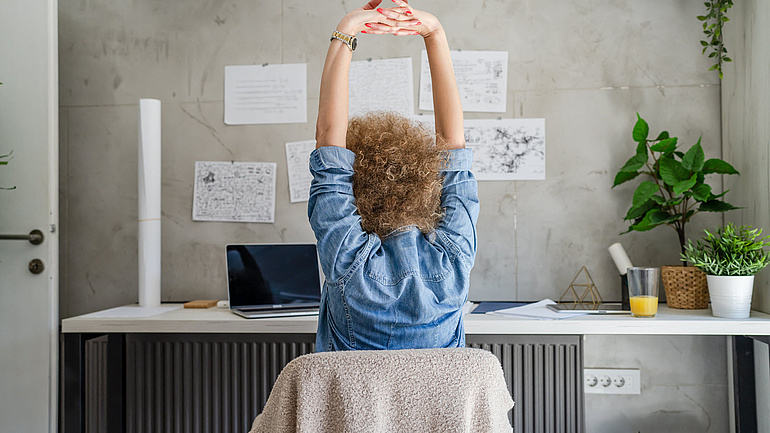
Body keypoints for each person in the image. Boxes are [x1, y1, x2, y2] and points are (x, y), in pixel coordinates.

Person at [308, 0, 479, 351]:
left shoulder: (348, 260)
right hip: (436, 409)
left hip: (354, 409)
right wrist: (433, 32)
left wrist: (347, 29)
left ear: (354, 189)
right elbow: (453, 144)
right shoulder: (455, 260)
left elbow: (328, 138)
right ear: (428, 183)